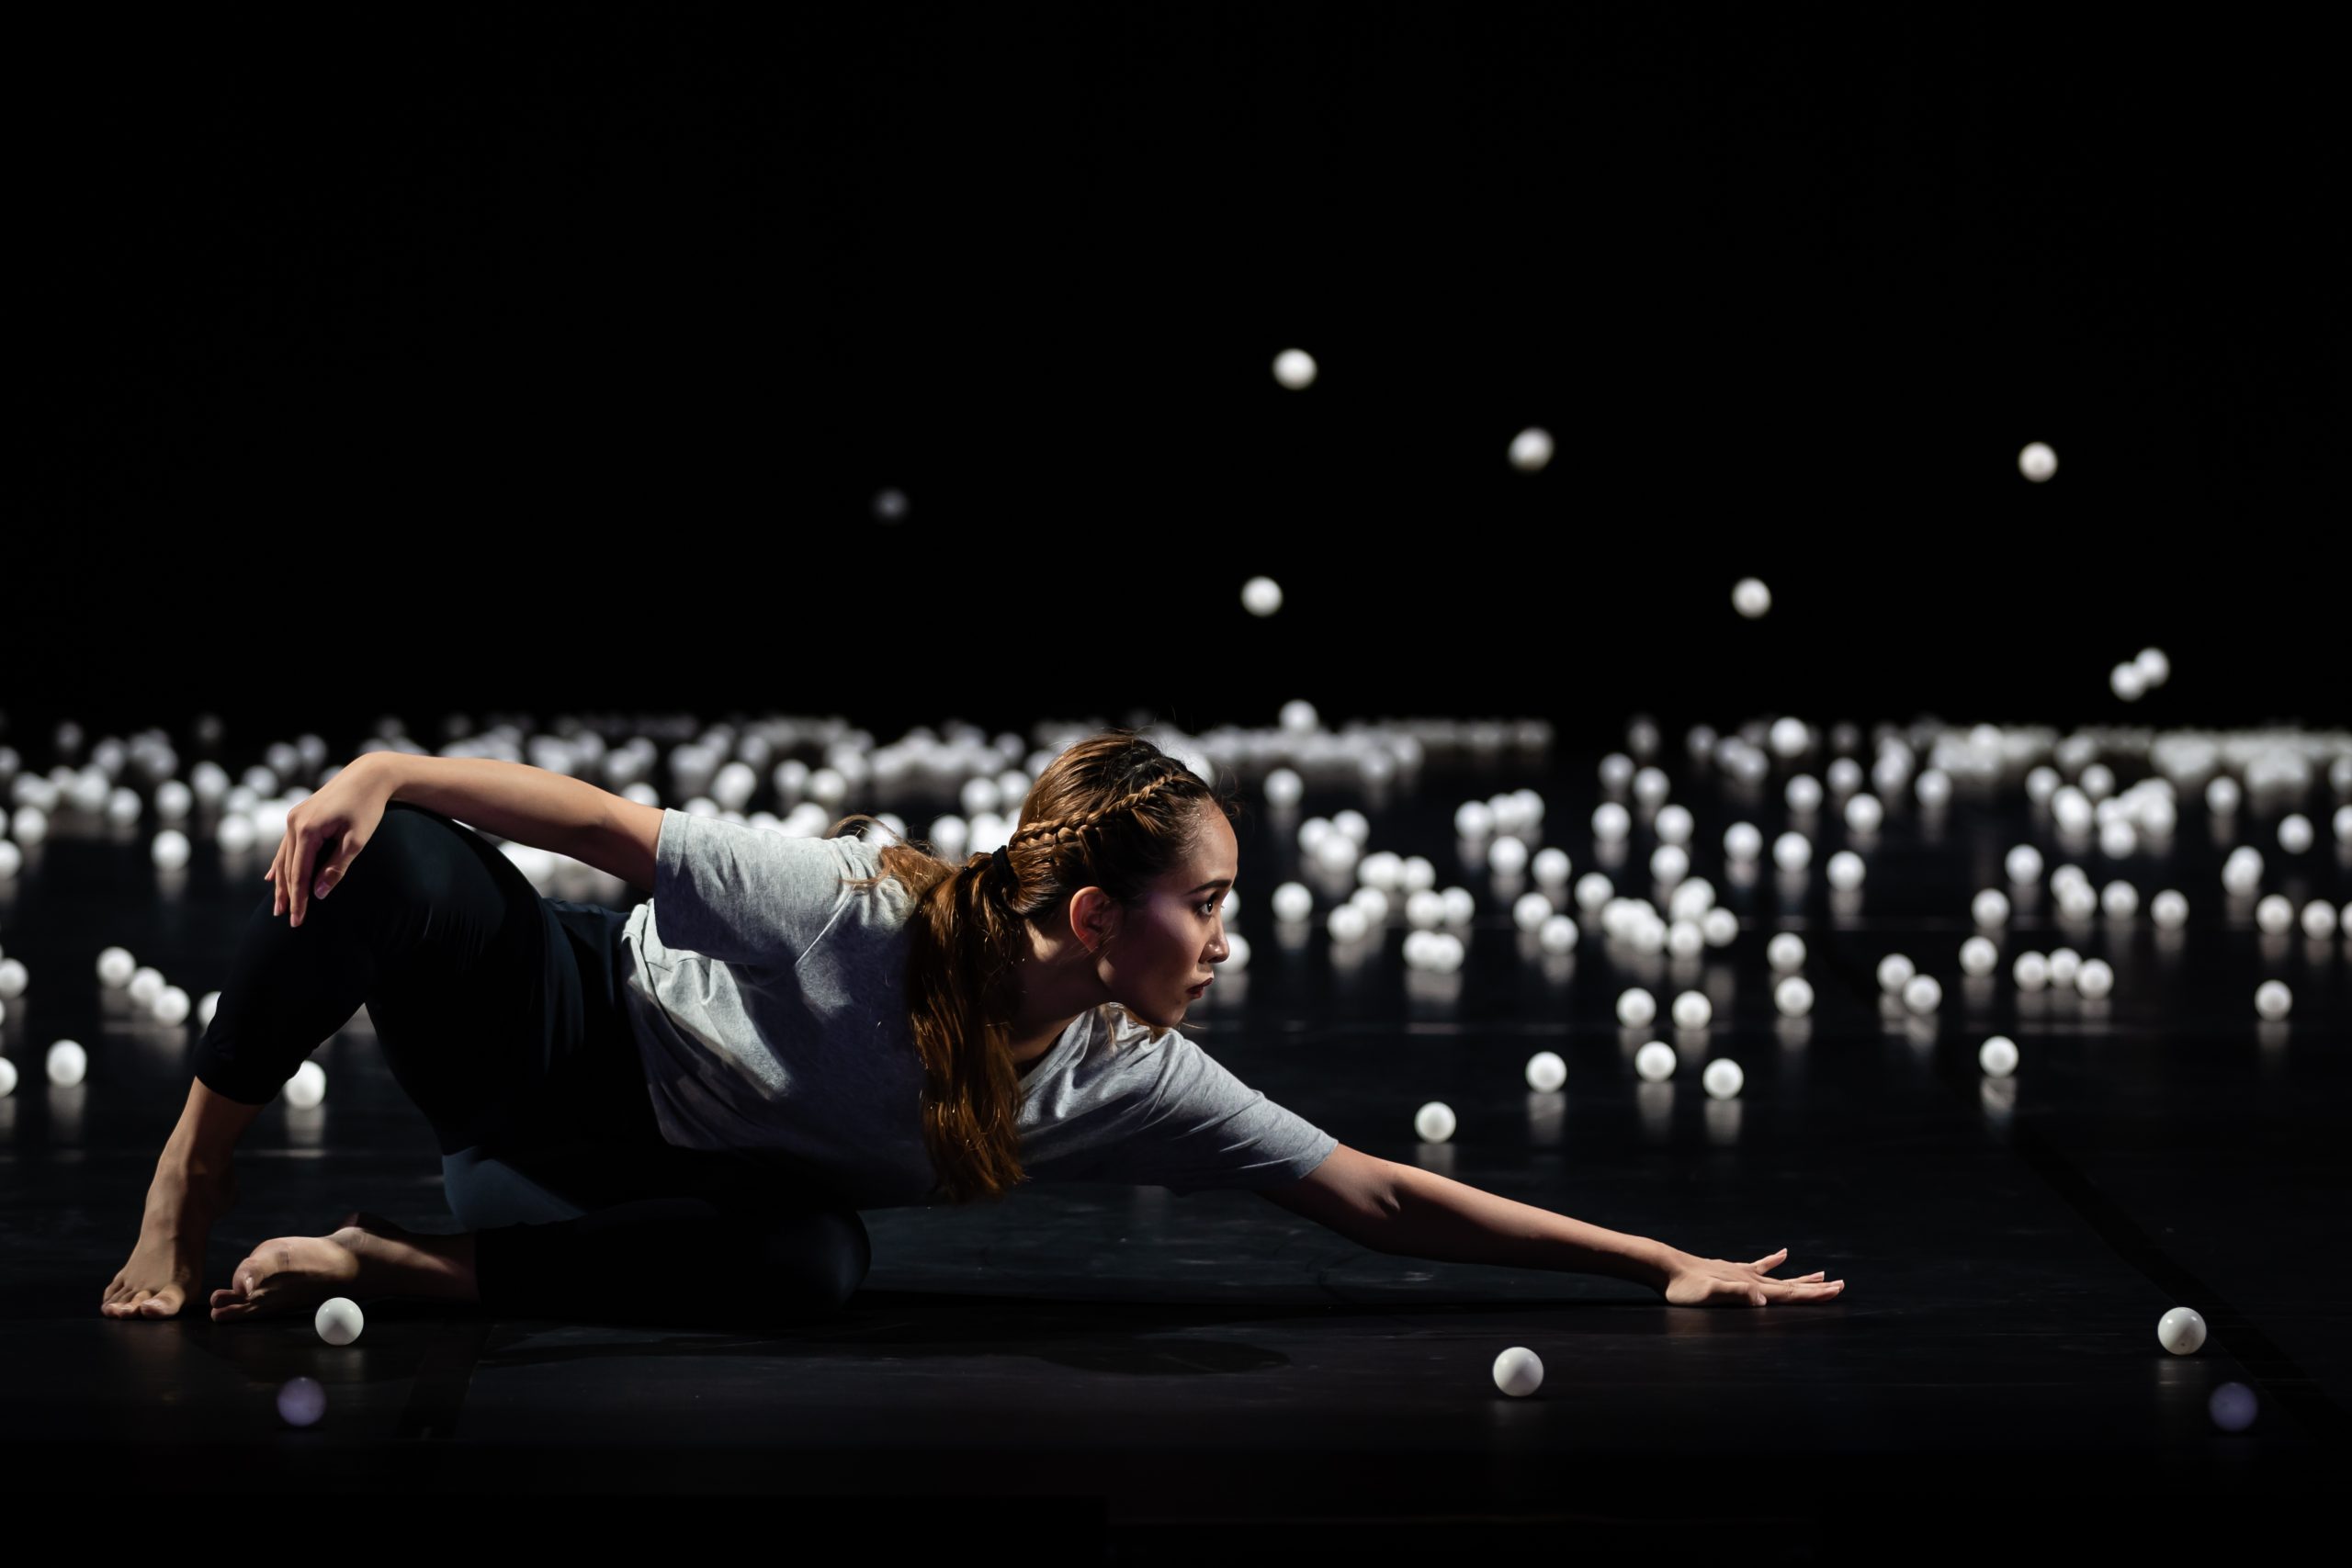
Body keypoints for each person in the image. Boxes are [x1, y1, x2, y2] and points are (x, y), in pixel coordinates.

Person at [101, 729, 1845, 1329]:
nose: (1231, 935)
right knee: (405, 868)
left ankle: (419, 1274)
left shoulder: (1125, 1075)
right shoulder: (860, 910)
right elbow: (602, 831)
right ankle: (186, 1191)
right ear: (1097, 920)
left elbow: (1374, 1197)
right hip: (558, 1038)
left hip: (598, 1205)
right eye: (1211, 901)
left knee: (815, 1274)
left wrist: (1657, 1263)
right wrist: (389, 772)